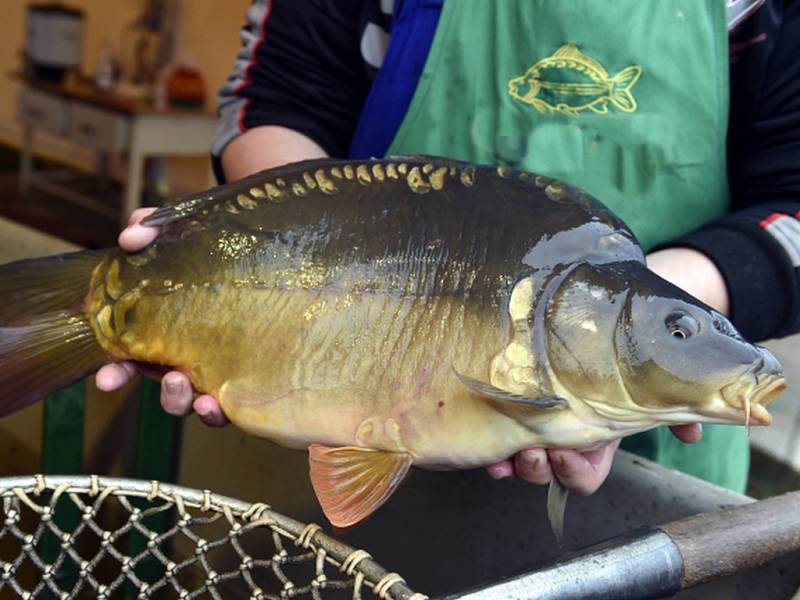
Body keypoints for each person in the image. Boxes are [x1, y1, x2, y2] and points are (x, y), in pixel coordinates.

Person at [97, 0, 800, 498]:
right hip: (325, 358)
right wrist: (246, 268)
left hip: (654, 473)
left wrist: (649, 332)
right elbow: (276, 99)